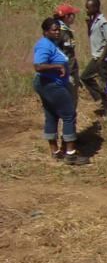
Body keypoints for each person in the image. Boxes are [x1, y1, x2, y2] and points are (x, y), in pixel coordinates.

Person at [32, 17, 86, 165]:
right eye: (54, 30)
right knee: (69, 114)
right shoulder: (44, 45)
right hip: (50, 84)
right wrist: (58, 67)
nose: (57, 32)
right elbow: (38, 66)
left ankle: (55, 151)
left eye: (58, 30)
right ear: (45, 32)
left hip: (51, 84)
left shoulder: (52, 43)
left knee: (51, 114)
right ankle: (71, 154)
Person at [81, 0, 107, 114]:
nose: (87, 10)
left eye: (88, 8)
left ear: (95, 8)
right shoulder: (94, 21)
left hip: (103, 58)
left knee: (104, 84)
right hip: (97, 57)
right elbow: (91, 36)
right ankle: (100, 99)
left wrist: (102, 59)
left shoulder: (103, 22)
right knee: (85, 77)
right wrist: (88, 25)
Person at [54, 3, 82, 97]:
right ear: (66, 17)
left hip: (71, 70)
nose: (74, 17)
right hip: (66, 72)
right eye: (72, 15)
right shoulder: (59, 32)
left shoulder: (66, 30)